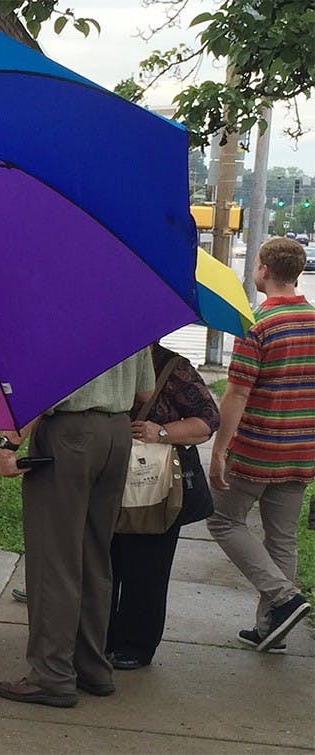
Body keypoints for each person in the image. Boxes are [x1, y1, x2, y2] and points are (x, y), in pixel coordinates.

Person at [0, 349, 155, 708]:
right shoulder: (132, 303)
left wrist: (9, 441)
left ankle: (51, 675)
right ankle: (91, 666)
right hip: (116, 432)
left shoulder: (65, 302)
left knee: (54, 557)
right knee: (95, 554)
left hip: (69, 432)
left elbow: (46, 386)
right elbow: (146, 390)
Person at [207, 236, 315, 653]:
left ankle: (284, 598)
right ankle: (271, 625)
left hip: (257, 450)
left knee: (223, 521)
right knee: (281, 540)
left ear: (263, 270)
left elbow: (236, 394)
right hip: (301, 452)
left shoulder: (258, 325)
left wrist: (220, 449)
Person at [106, 342, 219, 669]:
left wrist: (163, 432)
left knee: (148, 567)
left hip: (153, 488)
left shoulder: (173, 368)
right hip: (109, 481)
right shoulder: (105, 359)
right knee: (105, 562)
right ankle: (102, 637)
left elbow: (209, 420)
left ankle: (136, 645)